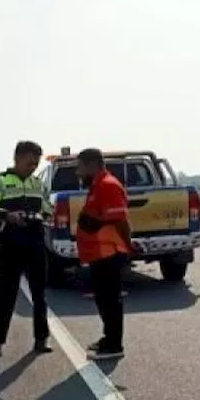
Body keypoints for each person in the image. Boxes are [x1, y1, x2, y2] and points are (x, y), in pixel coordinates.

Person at [0, 140, 53, 358]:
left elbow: (48, 207)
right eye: (29, 162)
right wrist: (6, 216)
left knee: (39, 293)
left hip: (35, 242)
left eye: (36, 163)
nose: (33, 167)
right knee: (5, 294)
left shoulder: (37, 184)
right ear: (17, 157)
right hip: (10, 244)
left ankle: (41, 339)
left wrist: (43, 217)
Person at [74, 147, 133, 360]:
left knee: (110, 301)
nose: (77, 173)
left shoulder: (107, 186)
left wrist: (128, 246)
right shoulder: (97, 186)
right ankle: (108, 339)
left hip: (109, 252)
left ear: (92, 165)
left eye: (79, 168)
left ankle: (114, 345)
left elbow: (120, 221)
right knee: (103, 299)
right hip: (99, 254)